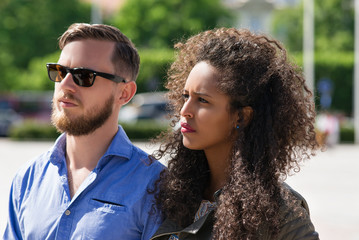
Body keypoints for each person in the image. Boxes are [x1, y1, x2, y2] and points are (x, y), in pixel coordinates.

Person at [150, 28, 320, 239]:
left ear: (242, 117)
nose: (185, 111)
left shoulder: (280, 213)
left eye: (202, 100)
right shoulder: (172, 193)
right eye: (186, 96)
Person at [3, 23, 164, 240]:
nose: (65, 85)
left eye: (84, 75)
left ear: (124, 93)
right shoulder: (27, 179)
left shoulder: (155, 185)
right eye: (59, 72)